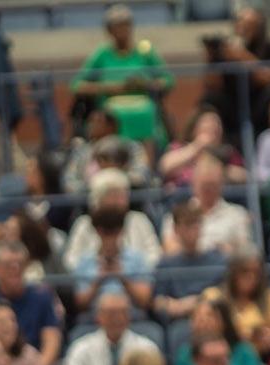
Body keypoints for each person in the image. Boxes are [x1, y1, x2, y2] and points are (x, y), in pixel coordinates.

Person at [70, 5, 172, 145]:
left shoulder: (145, 52)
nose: (122, 30)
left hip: (144, 108)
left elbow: (168, 80)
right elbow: (77, 86)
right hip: (111, 109)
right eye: (117, 26)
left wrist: (146, 84)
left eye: (126, 25)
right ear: (109, 30)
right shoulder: (102, 54)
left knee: (152, 121)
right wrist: (113, 88)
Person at [61, 289, 158, 365]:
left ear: (129, 316)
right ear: (98, 316)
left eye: (122, 312)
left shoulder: (147, 349)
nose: (117, 318)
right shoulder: (81, 349)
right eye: (111, 313)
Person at [201, 3, 270, 135]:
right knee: (210, 99)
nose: (242, 27)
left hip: (261, 108)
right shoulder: (225, 50)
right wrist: (212, 59)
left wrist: (241, 56)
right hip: (233, 107)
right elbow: (212, 85)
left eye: (248, 24)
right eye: (239, 22)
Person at [172, 296, 270, 365]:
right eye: (196, 317)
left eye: (209, 316)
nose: (202, 321)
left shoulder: (244, 351)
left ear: (223, 321)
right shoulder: (185, 353)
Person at [0, 242, 61, 365]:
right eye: (8, 265)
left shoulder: (42, 296)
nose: (15, 268)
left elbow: (52, 341)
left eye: (20, 264)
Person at [165, 154, 254, 257]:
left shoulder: (238, 215)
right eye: (204, 185)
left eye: (213, 185)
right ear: (194, 183)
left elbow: (245, 253)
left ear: (222, 184)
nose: (208, 190)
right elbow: (169, 250)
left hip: (224, 270)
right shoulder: (177, 214)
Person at [71, 206, 153, 318]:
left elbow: (144, 301)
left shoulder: (137, 259)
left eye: (114, 232)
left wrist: (123, 278)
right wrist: (98, 281)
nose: (110, 238)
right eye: (105, 232)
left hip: (133, 321)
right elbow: (80, 304)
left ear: (121, 231)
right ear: (97, 231)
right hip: (93, 323)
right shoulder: (85, 261)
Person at [153, 202, 229, 313]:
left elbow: (227, 294)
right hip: (180, 322)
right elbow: (158, 302)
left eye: (197, 223)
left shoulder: (218, 260)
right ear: (176, 229)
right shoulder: (165, 265)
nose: (194, 228)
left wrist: (201, 302)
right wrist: (178, 306)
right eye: (188, 224)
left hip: (214, 317)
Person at [158, 107, 247, 188]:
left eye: (217, 124)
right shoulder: (178, 147)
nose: (214, 126)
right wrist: (197, 146)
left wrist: (220, 170)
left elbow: (245, 177)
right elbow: (165, 167)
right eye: (209, 123)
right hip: (183, 200)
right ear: (194, 128)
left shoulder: (228, 152)